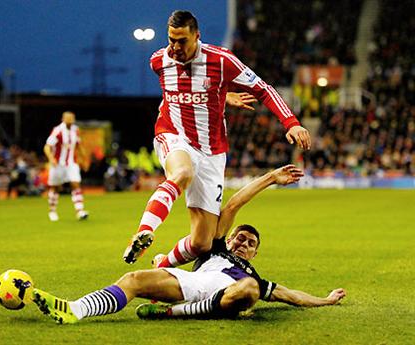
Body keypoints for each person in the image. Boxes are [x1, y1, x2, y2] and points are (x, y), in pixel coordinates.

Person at [32, 165, 345, 324]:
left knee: (250, 289)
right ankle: (74, 309)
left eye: (250, 242)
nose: (242, 242)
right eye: (240, 236)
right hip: (192, 283)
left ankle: (175, 313)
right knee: (133, 279)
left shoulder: (253, 275)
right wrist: (270, 178)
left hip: (230, 293)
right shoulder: (217, 247)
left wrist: (326, 300)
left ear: (255, 252)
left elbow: (291, 296)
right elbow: (233, 204)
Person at [123, 10, 311, 264]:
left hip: (212, 151)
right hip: (173, 134)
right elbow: (173, 94)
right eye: (171, 40)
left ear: (197, 37)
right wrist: (222, 96)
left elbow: (263, 89)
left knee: (203, 242)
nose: (175, 47)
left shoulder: (222, 61)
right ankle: (143, 232)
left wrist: (291, 123)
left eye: (182, 41)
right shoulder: (158, 61)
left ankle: (162, 264)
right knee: (182, 173)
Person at [43, 111, 89, 221]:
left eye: (71, 120)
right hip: (58, 163)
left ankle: (80, 211)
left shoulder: (75, 130)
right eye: (68, 120)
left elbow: (79, 146)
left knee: (75, 184)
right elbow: (47, 147)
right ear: (63, 119)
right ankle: (52, 211)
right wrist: (51, 158)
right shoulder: (57, 131)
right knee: (55, 187)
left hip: (72, 163)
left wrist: (84, 159)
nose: (70, 122)